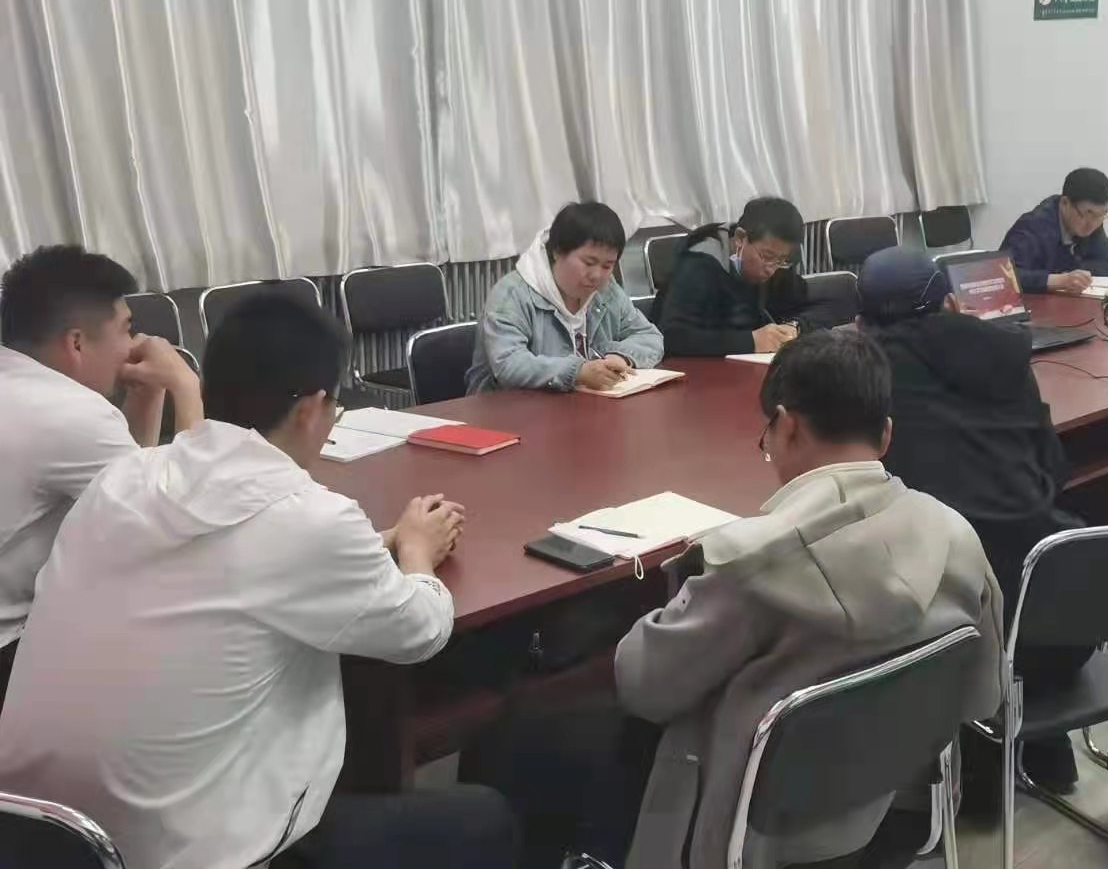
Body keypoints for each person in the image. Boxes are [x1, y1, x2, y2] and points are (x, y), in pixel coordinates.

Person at [0, 294, 516, 869]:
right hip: (184, 854)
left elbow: (237, 567)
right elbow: (420, 630)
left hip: (33, 834)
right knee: (484, 817)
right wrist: (417, 550)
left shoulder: (124, 478)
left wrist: (373, 545)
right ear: (311, 408)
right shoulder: (309, 519)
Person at [616, 331, 1004, 869]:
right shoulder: (956, 534)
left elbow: (645, 687)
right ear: (886, 434)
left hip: (759, 837)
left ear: (787, 425)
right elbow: (983, 697)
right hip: (894, 810)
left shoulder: (750, 563)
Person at [854, 246, 1091, 794]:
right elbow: (1054, 467)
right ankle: (1040, 750)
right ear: (951, 304)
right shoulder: (1006, 353)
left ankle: (960, 778)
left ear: (860, 321)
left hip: (953, 632)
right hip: (1055, 613)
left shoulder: (865, 379)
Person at [0, 245, 202, 703]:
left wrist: (148, 395)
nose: (134, 344)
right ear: (76, 343)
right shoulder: (67, 411)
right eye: (126, 329)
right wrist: (185, 385)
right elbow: (185, 524)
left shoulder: (20, 380)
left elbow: (125, 490)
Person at [467, 201, 663, 393]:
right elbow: (509, 364)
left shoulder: (606, 291)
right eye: (588, 262)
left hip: (583, 404)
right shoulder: (511, 294)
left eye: (607, 265)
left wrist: (620, 357)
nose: (597, 275)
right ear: (557, 252)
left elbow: (650, 336)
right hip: (508, 407)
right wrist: (578, 372)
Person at [655, 195, 813, 355]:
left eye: (782, 260)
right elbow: (670, 337)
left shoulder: (774, 263)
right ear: (740, 238)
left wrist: (795, 326)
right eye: (767, 256)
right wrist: (751, 342)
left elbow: (820, 305)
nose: (771, 269)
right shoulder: (698, 265)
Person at [1000, 167, 1108, 294]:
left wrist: (1078, 275)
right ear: (1065, 203)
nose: (1092, 224)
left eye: (1102, 215)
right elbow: (1003, 276)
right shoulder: (1032, 227)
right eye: (1088, 214)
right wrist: (1057, 280)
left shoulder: (1093, 221)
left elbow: (1106, 265)